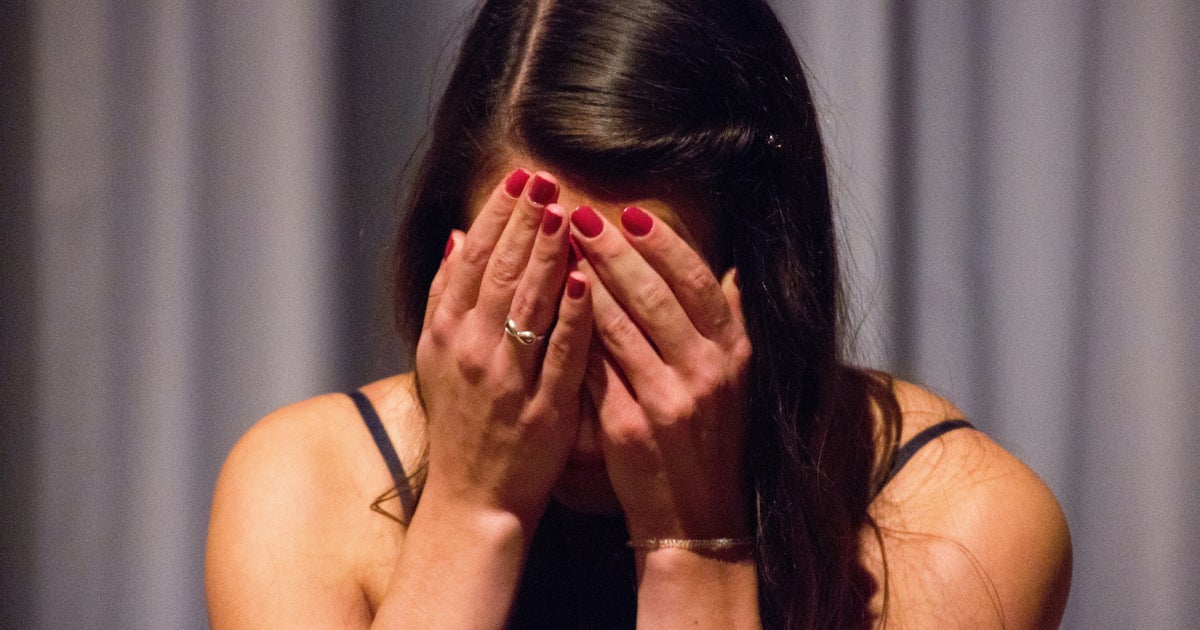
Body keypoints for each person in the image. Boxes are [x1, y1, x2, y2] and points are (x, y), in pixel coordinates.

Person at [205, 0, 1071, 627]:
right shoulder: (304, 487)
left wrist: (696, 547)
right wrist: (470, 515)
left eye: (643, 317)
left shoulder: (958, 521)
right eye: (534, 301)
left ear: (763, 284)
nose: (577, 401)